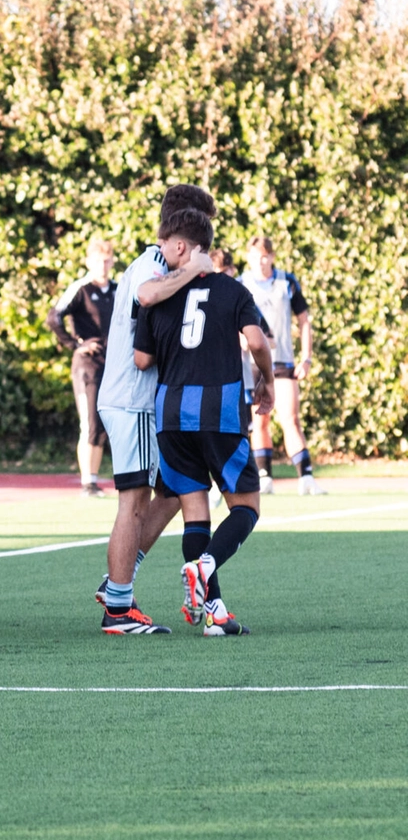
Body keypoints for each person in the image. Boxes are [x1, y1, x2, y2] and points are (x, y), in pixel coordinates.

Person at [134, 208, 274, 637]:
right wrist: (266, 379)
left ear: (180, 245)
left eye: (161, 244)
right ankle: (206, 565)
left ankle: (214, 613)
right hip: (221, 411)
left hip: (171, 413)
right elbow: (255, 340)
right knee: (246, 507)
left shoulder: (157, 294)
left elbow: (142, 359)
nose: (158, 252)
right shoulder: (233, 290)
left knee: (195, 512)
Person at [93, 185, 216, 634]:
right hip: (133, 401)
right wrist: (193, 273)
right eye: (200, 245)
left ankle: (116, 583)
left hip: (146, 403)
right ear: (181, 237)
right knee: (135, 500)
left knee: (171, 490)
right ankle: (119, 608)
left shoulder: (164, 265)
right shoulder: (152, 264)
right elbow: (146, 295)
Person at [241, 236, 324, 496]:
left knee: (290, 418)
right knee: (259, 421)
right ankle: (264, 477)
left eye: (265, 255)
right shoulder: (240, 283)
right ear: (249, 257)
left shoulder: (286, 282)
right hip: (254, 364)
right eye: (256, 256)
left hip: (283, 362)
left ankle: (306, 477)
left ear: (273, 257)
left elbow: (304, 321)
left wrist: (306, 357)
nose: (261, 261)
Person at [47, 239, 117, 498]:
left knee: (103, 421)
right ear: (89, 262)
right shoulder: (81, 289)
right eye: (99, 260)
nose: (103, 264)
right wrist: (75, 344)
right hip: (88, 365)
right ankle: (88, 482)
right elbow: (53, 317)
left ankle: (96, 479)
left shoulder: (117, 290)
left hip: (112, 365)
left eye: (108, 259)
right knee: (89, 421)